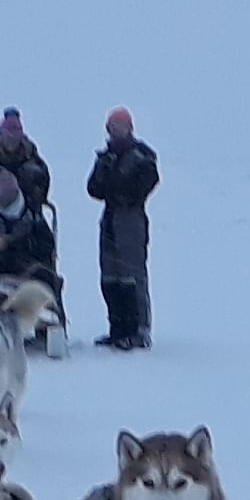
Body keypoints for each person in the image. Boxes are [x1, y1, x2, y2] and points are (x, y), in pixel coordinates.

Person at [0, 153, 66, 344]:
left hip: (27, 269)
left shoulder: (33, 217)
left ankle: (52, 329)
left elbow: (46, 246)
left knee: (46, 278)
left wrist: (18, 244)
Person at [86, 107, 161, 350]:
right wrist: (113, 185)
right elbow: (94, 188)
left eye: (118, 127)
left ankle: (139, 330)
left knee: (133, 275)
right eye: (111, 128)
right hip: (110, 218)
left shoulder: (142, 155)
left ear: (129, 128)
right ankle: (117, 329)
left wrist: (116, 188)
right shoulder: (105, 157)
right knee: (110, 276)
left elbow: (142, 186)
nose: (114, 132)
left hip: (131, 220)